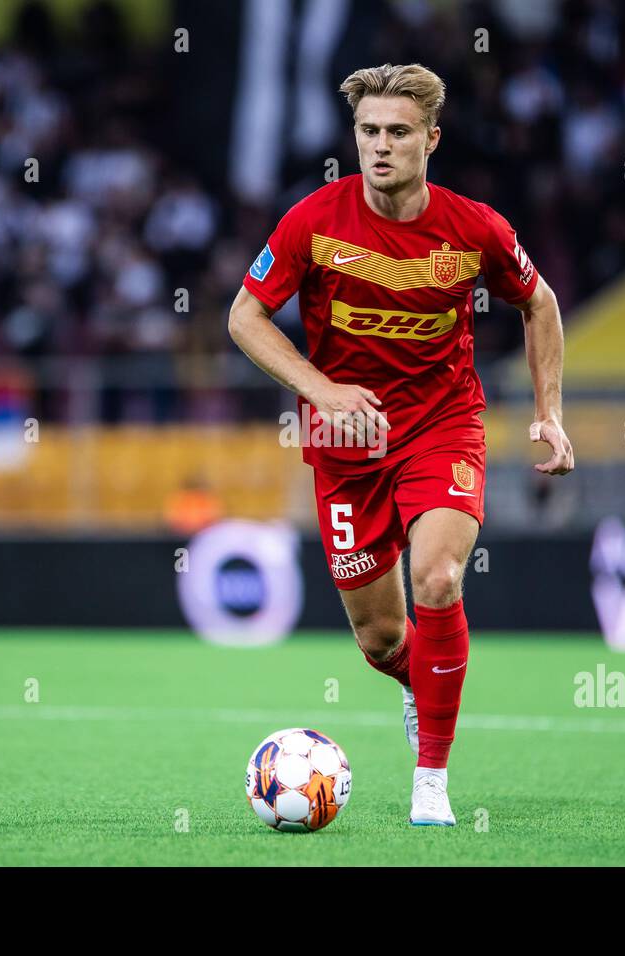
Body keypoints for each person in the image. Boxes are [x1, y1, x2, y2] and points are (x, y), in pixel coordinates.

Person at [228, 63, 573, 826]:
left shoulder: (475, 227)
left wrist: (548, 410)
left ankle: (431, 781)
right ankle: (422, 683)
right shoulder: (313, 221)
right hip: (343, 441)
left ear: (431, 140)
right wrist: (321, 390)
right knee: (382, 639)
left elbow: (539, 301)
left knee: (440, 578)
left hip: (443, 425)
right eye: (368, 132)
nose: (380, 147)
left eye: (398, 133)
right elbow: (244, 317)